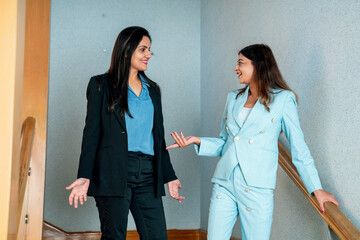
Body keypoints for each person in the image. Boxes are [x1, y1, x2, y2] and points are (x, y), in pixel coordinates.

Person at [166, 44, 339, 240]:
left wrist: (317, 189)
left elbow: (299, 149)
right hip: (225, 184)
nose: (235, 68)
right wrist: (196, 140)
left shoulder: (283, 99)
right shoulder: (233, 98)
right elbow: (225, 143)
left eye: (241, 63)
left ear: (259, 66)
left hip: (257, 188)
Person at [66, 26, 184, 240]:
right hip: (113, 170)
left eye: (149, 50)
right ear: (127, 50)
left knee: (157, 236)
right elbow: (91, 133)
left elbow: (158, 138)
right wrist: (85, 174)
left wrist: (170, 177)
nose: (148, 55)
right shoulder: (100, 85)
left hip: (148, 173)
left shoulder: (153, 90)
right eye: (143, 49)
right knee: (115, 236)